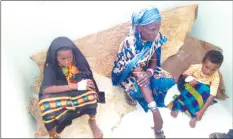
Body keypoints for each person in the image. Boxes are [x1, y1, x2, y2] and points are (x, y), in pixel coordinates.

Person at [111, 7, 176, 138]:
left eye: (158, 28)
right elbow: (138, 74)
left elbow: (153, 57)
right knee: (138, 88)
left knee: (168, 80)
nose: (156, 32)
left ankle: (151, 94)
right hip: (129, 73)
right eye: (152, 29)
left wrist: (150, 73)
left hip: (146, 69)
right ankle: (128, 91)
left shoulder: (156, 35)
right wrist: (155, 112)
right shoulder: (130, 43)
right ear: (140, 28)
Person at [38, 37, 104, 138]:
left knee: (91, 94)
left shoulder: (77, 61)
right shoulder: (50, 66)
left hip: (75, 92)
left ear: (73, 54)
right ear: (55, 56)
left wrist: (84, 81)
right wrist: (75, 86)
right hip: (61, 93)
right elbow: (46, 89)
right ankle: (53, 135)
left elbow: (87, 75)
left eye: (69, 57)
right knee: (45, 105)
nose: (67, 61)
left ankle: (92, 120)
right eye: (62, 59)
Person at [168, 50, 224, 128]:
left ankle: (195, 115)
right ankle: (177, 106)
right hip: (189, 85)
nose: (208, 71)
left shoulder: (216, 76)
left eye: (213, 70)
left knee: (206, 92)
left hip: (199, 92)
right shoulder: (196, 67)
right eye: (206, 67)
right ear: (203, 62)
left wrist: (201, 111)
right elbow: (184, 75)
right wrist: (190, 78)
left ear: (217, 68)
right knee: (190, 84)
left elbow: (212, 95)